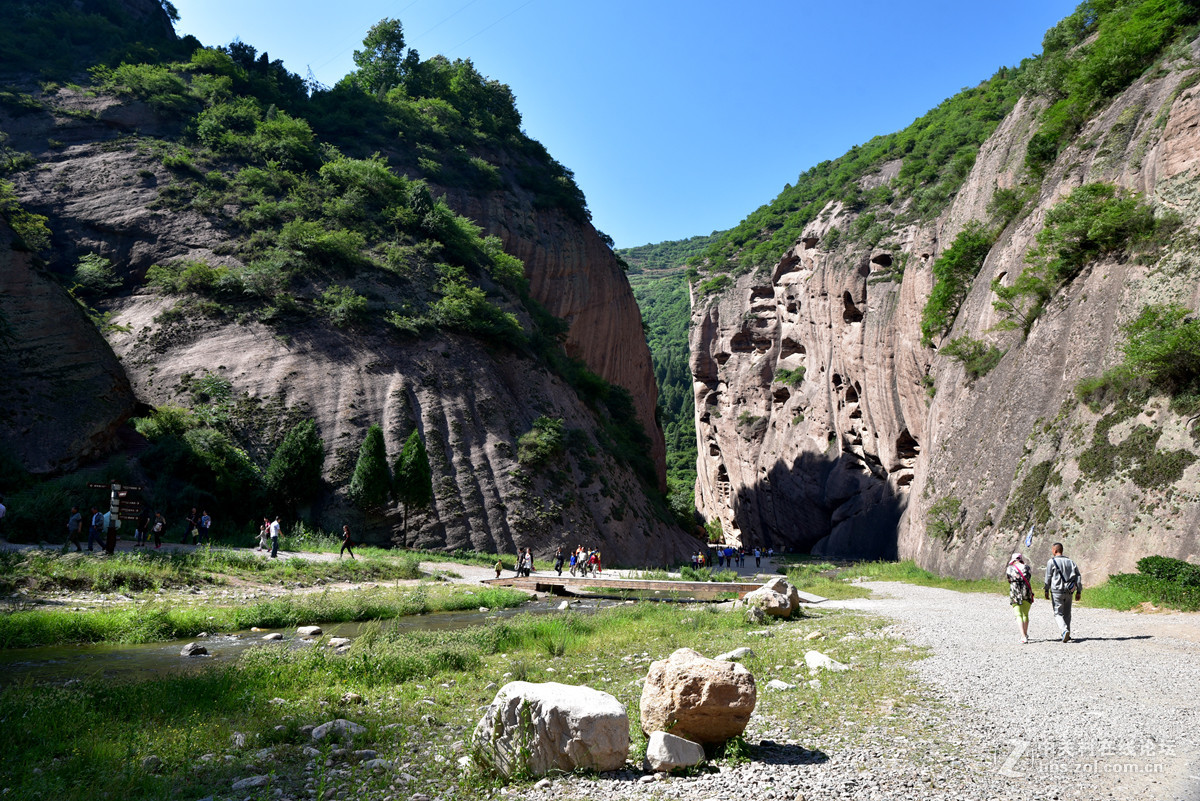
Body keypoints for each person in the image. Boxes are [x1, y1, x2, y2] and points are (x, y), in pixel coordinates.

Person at [1044, 542, 1083, 642]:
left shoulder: (1051, 562)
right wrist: (1078, 591)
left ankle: (1064, 630)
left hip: (1057, 591)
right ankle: (1068, 635)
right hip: (1069, 591)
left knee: (1058, 613)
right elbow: (1078, 577)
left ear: (1055, 550)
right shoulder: (1071, 562)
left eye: (1052, 550)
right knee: (1067, 613)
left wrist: (1046, 589)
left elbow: (1048, 577)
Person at [1006, 553, 1035, 644]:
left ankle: (1023, 636)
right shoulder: (1027, 567)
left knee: (1018, 615)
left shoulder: (1010, 568)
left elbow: (1009, 580)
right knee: (1025, 614)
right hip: (1026, 591)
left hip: (1015, 592)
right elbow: (1029, 577)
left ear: (1014, 560)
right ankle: (1025, 634)